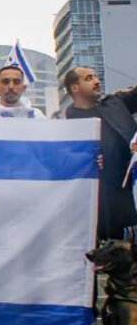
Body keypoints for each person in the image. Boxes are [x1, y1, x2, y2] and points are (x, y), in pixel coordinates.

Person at [64, 68, 137, 241]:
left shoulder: (115, 103)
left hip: (131, 191)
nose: (97, 81)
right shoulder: (68, 125)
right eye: (89, 78)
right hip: (101, 206)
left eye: (96, 77)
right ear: (75, 88)